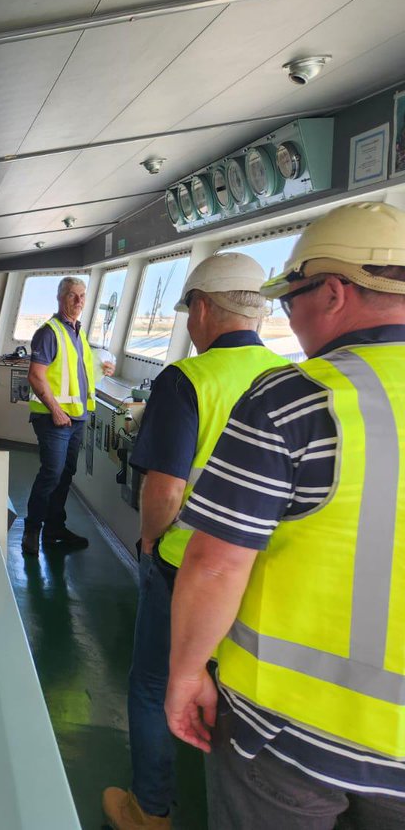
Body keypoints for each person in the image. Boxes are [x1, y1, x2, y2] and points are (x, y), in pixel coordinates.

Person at [164, 202, 405, 829]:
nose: (289, 319)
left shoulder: (297, 397)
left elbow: (217, 564)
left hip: (285, 733)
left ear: (333, 292)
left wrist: (186, 672)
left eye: (292, 299)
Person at [102, 253, 287, 830]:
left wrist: (150, 543)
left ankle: (149, 809)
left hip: (184, 567)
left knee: (154, 682)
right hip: (261, 568)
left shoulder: (187, 379)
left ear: (203, 307)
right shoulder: (290, 379)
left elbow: (165, 488)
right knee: (236, 688)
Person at [23, 276, 115, 556]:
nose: (78, 301)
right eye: (72, 295)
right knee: (51, 473)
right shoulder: (49, 332)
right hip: (53, 418)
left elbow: (76, 374)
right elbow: (35, 376)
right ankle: (31, 530)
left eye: (82, 296)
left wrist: (102, 368)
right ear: (60, 297)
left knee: (65, 475)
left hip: (76, 418)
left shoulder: (78, 333)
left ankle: (54, 529)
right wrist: (56, 410)